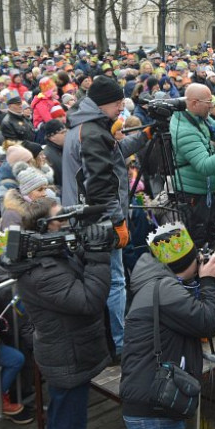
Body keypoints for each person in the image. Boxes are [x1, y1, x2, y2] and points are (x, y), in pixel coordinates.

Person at [8, 197, 114, 429]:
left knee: (58, 421)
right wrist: (98, 256)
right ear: (44, 226)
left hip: (65, 351)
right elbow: (88, 300)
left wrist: (84, 246)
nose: (68, 220)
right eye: (61, 217)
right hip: (68, 356)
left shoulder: (44, 253)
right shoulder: (42, 270)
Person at [121, 223, 215, 429]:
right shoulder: (165, 288)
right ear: (190, 262)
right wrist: (208, 282)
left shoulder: (159, 282)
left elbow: (205, 323)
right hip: (153, 409)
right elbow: (206, 321)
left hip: (149, 402)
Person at [62, 75, 148, 359]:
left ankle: (114, 342)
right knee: (115, 282)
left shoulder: (89, 126)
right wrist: (117, 222)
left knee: (110, 280)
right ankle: (121, 345)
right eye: (117, 104)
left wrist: (144, 137)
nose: (121, 110)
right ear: (103, 104)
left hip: (90, 217)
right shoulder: (92, 131)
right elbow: (99, 184)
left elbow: (114, 155)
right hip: (97, 222)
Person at [168, 82, 215, 244]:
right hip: (193, 198)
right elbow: (205, 166)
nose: (211, 106)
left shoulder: (197, 116)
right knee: (199, 239)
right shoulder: (185, 130)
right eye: (208, 102)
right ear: (194, 103)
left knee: (209, 235)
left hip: (204, 192)